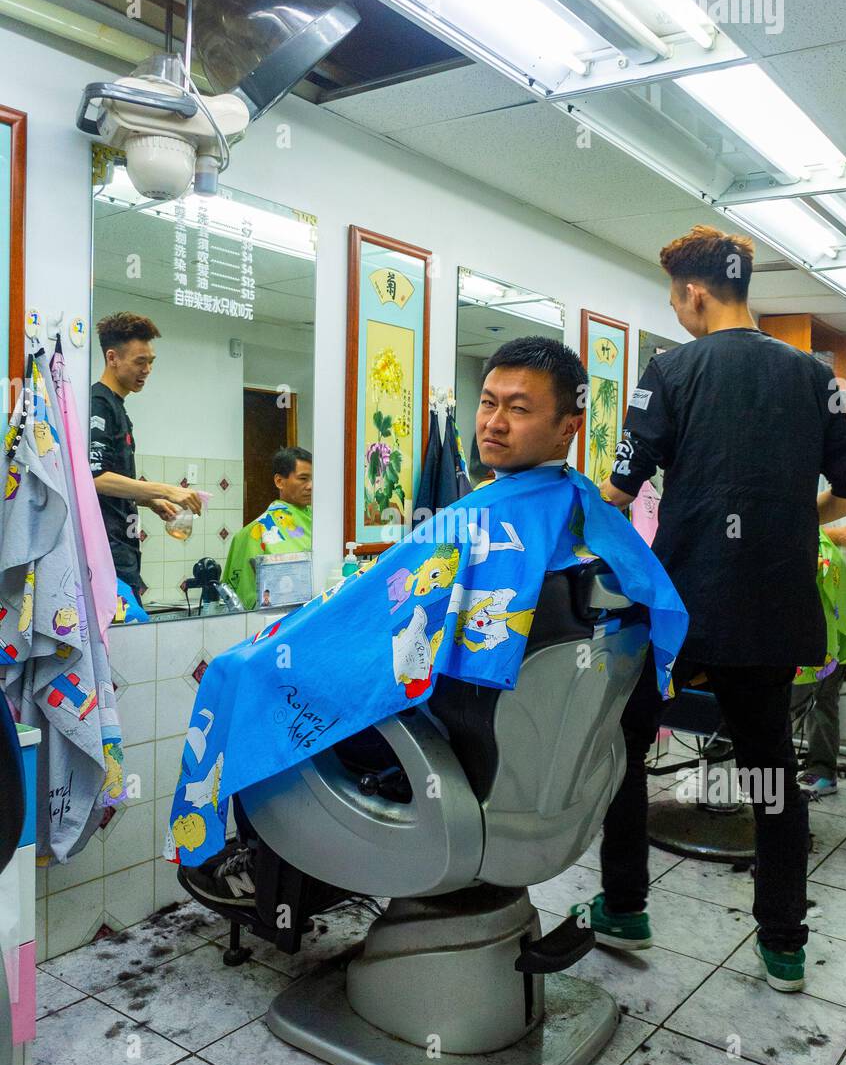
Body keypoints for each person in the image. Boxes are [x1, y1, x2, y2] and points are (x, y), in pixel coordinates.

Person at [180, 337, 683, 909]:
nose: (494, 423)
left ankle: (258, 873)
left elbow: (364, 628)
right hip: (534, 769)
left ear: (569, 425)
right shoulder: (585, 514)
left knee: (250, 681)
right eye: (488, 402)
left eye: (518, 409)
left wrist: (265, 659)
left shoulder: (483, 515)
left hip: (454, 750)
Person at [591, 224, 846, 992]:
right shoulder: (816, 376)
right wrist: (790, 517)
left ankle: (623, 905)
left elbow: (619, 489)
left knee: (626, 750)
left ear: (696, 293)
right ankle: (783, 945)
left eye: (675, 299)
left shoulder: (669, 369)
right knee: (772, 772)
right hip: (773, 606)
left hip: (681, 607)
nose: (678, 312)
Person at [90, 312, 202, 598]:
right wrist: (167, 489)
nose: (147, 369)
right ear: (112, 358)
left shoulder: (119, 408)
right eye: (140, 361)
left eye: (151, 362)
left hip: (124, 549)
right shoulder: (98, 404)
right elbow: (95, 477)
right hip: (103, 553)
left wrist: (151, 500)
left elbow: (112, 481)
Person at [798, 410, 846, 795]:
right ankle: (813, 768)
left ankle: (820, 767)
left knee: (828, 682)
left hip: (845, 600)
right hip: (814, 594)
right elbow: (798, 516)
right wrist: (834, 533)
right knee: (808, 687)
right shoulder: (816, 463)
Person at [221, 447, 313, 610]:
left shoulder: (324, 522)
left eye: (313, 479)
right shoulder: (257, 531)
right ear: (279, 481)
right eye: (303, 478)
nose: (310, 486)